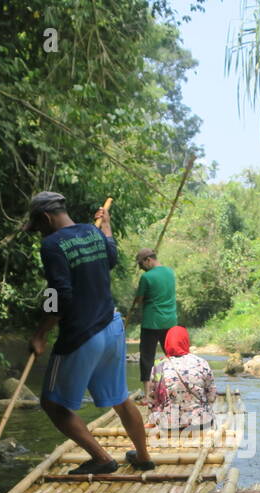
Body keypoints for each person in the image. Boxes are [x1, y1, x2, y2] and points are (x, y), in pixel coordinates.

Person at [24, 191, 155, 474]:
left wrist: (40, 334)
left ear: (46, 218)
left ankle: (101, 458)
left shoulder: (51, 245)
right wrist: (106, 226)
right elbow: (111, 257)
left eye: (38, 226)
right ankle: (143, 457)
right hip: (112, 325)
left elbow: (59, 294)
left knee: (52, 403)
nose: (39, 234)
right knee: (120, 398)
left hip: (82, 334)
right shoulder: (91, 233)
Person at [146, 326, 216, 434]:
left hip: (169, 424)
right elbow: (211, 396)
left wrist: (152, 419)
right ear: (186, 341)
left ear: (167, 343)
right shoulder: (202, 362)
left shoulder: (158, 365)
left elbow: (152, 400)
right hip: (201, 422)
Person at [129, 248, 177, 387]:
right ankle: (174, 387)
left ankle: (147, 394)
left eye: (141, 265)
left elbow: (139, 300)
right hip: (170, 322)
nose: (142, 268)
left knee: (146, 358)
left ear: (148, 260)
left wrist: (137, 298)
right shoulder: (170, 272)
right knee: (172, 357)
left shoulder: (146, 277)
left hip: (151, 322)